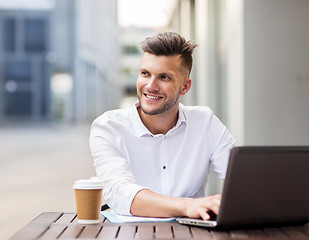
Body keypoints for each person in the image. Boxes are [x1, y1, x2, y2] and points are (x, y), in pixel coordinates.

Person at [89, 32, 235, 220]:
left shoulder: (205, 122)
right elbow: (120, 193)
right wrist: (187, 205)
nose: (151, 85)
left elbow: (243, 182)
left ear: (185, 87)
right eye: (145, 74)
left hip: (193, 233)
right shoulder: (108, 127)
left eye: (164, 77)